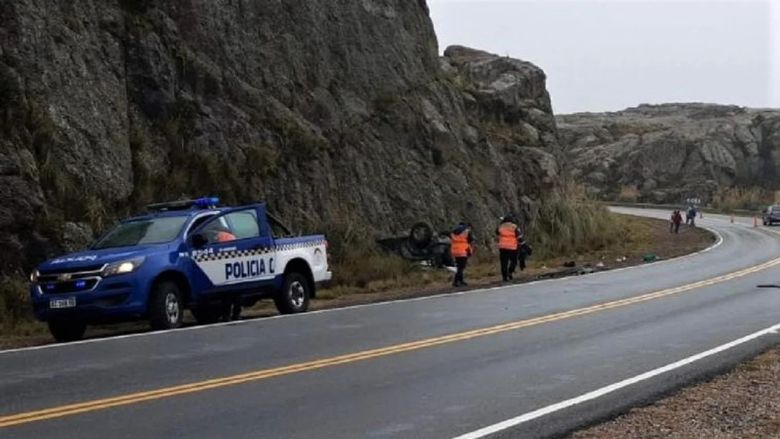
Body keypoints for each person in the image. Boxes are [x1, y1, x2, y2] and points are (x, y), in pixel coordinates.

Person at [496, 215, 523, 282]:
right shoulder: (514, 227)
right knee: (514, 261)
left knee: (504, 263)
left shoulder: (500, 226)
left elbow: (497, 232)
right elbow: (519, 237)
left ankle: (504, 277)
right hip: (512, 247)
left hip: (503, 247)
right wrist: (522, 244)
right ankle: (510, 272)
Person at [450, 222, 474, 287]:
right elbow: (471, 240)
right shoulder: (466, 231)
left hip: (455, 251)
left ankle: (461, 281)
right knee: (461, 267)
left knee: (459, 266)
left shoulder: (453, 232)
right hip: (463, 250)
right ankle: (456, 281)